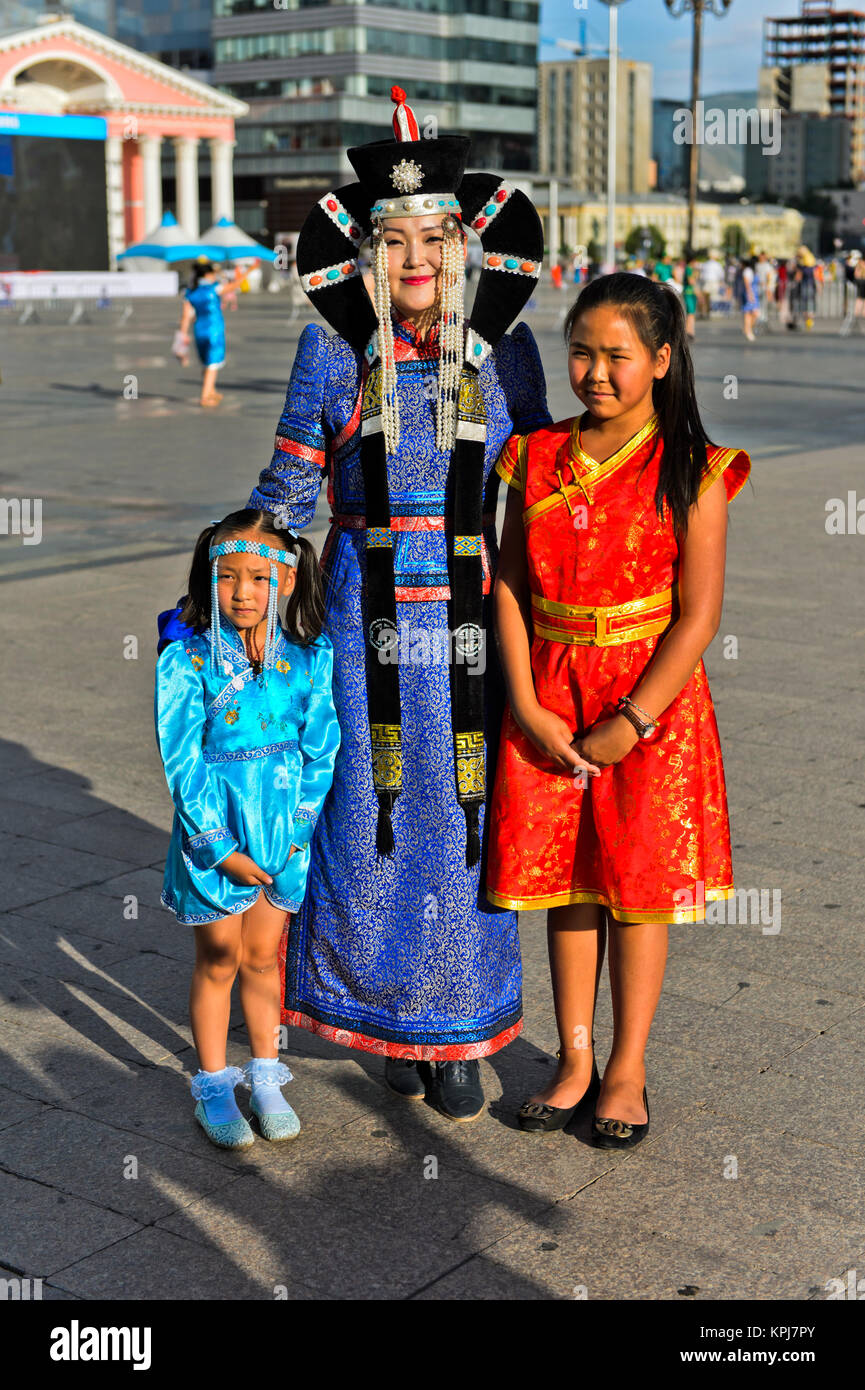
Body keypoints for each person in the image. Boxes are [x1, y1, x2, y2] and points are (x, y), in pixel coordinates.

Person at [239, 85, 552, 1121]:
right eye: (393, 240)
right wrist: (234, 578)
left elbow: (544, 485)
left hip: (472, 615)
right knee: (364, 821)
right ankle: (374, 1014)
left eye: (436, 235)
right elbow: (288, 481)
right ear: (365, 253)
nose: (416, 260)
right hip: (360, 615)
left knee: (467, 820)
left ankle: (460, 1030)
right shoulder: (332, 347)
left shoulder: (507, 348)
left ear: (465, 242)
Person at [485, 272, 750, 1145]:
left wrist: (630, 719)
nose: (595, 372)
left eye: (617, 356)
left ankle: (626, 1066)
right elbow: (511, 586)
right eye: (582, 353)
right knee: (566, 884)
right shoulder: (533, 456)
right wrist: (525, 704)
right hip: (550, 690)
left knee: (636, 888)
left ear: (662, 361)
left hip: (651, 703)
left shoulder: (694, 470)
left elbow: (699, 616)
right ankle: (571, 1058)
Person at [154, 508, 340, 1149]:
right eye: (227, 577)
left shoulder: (313, 659)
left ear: (284, 581)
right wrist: (217, 846)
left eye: (257, 578)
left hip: (284, 834)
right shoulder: (186, 659)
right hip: (218, 836)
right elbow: (181, 758)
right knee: (220, 958)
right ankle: (212, 1082)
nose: (241, 592)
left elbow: (322, 751)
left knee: (264, 958)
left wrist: (297, 836)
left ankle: (265, 1074)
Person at [177, 259, 246, 408]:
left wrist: (182, 335)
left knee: (206, 361)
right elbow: (234, 285)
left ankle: (211, 391)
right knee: (212, 363)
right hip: (214, 329)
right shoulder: (214, 288)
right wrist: (250, 270)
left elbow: (185, 317)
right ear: (208, 274)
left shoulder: (190, 292)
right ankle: (204, 396)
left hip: (199, 329)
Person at [739, 256, 760, 341]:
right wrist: (749, 294)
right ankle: (748, 330)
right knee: (748, 313)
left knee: (755, 313)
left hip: (754, 292)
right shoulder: (747, 271)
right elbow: (747, 283)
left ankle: (747, 328)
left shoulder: (753, 271)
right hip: (750, 293)